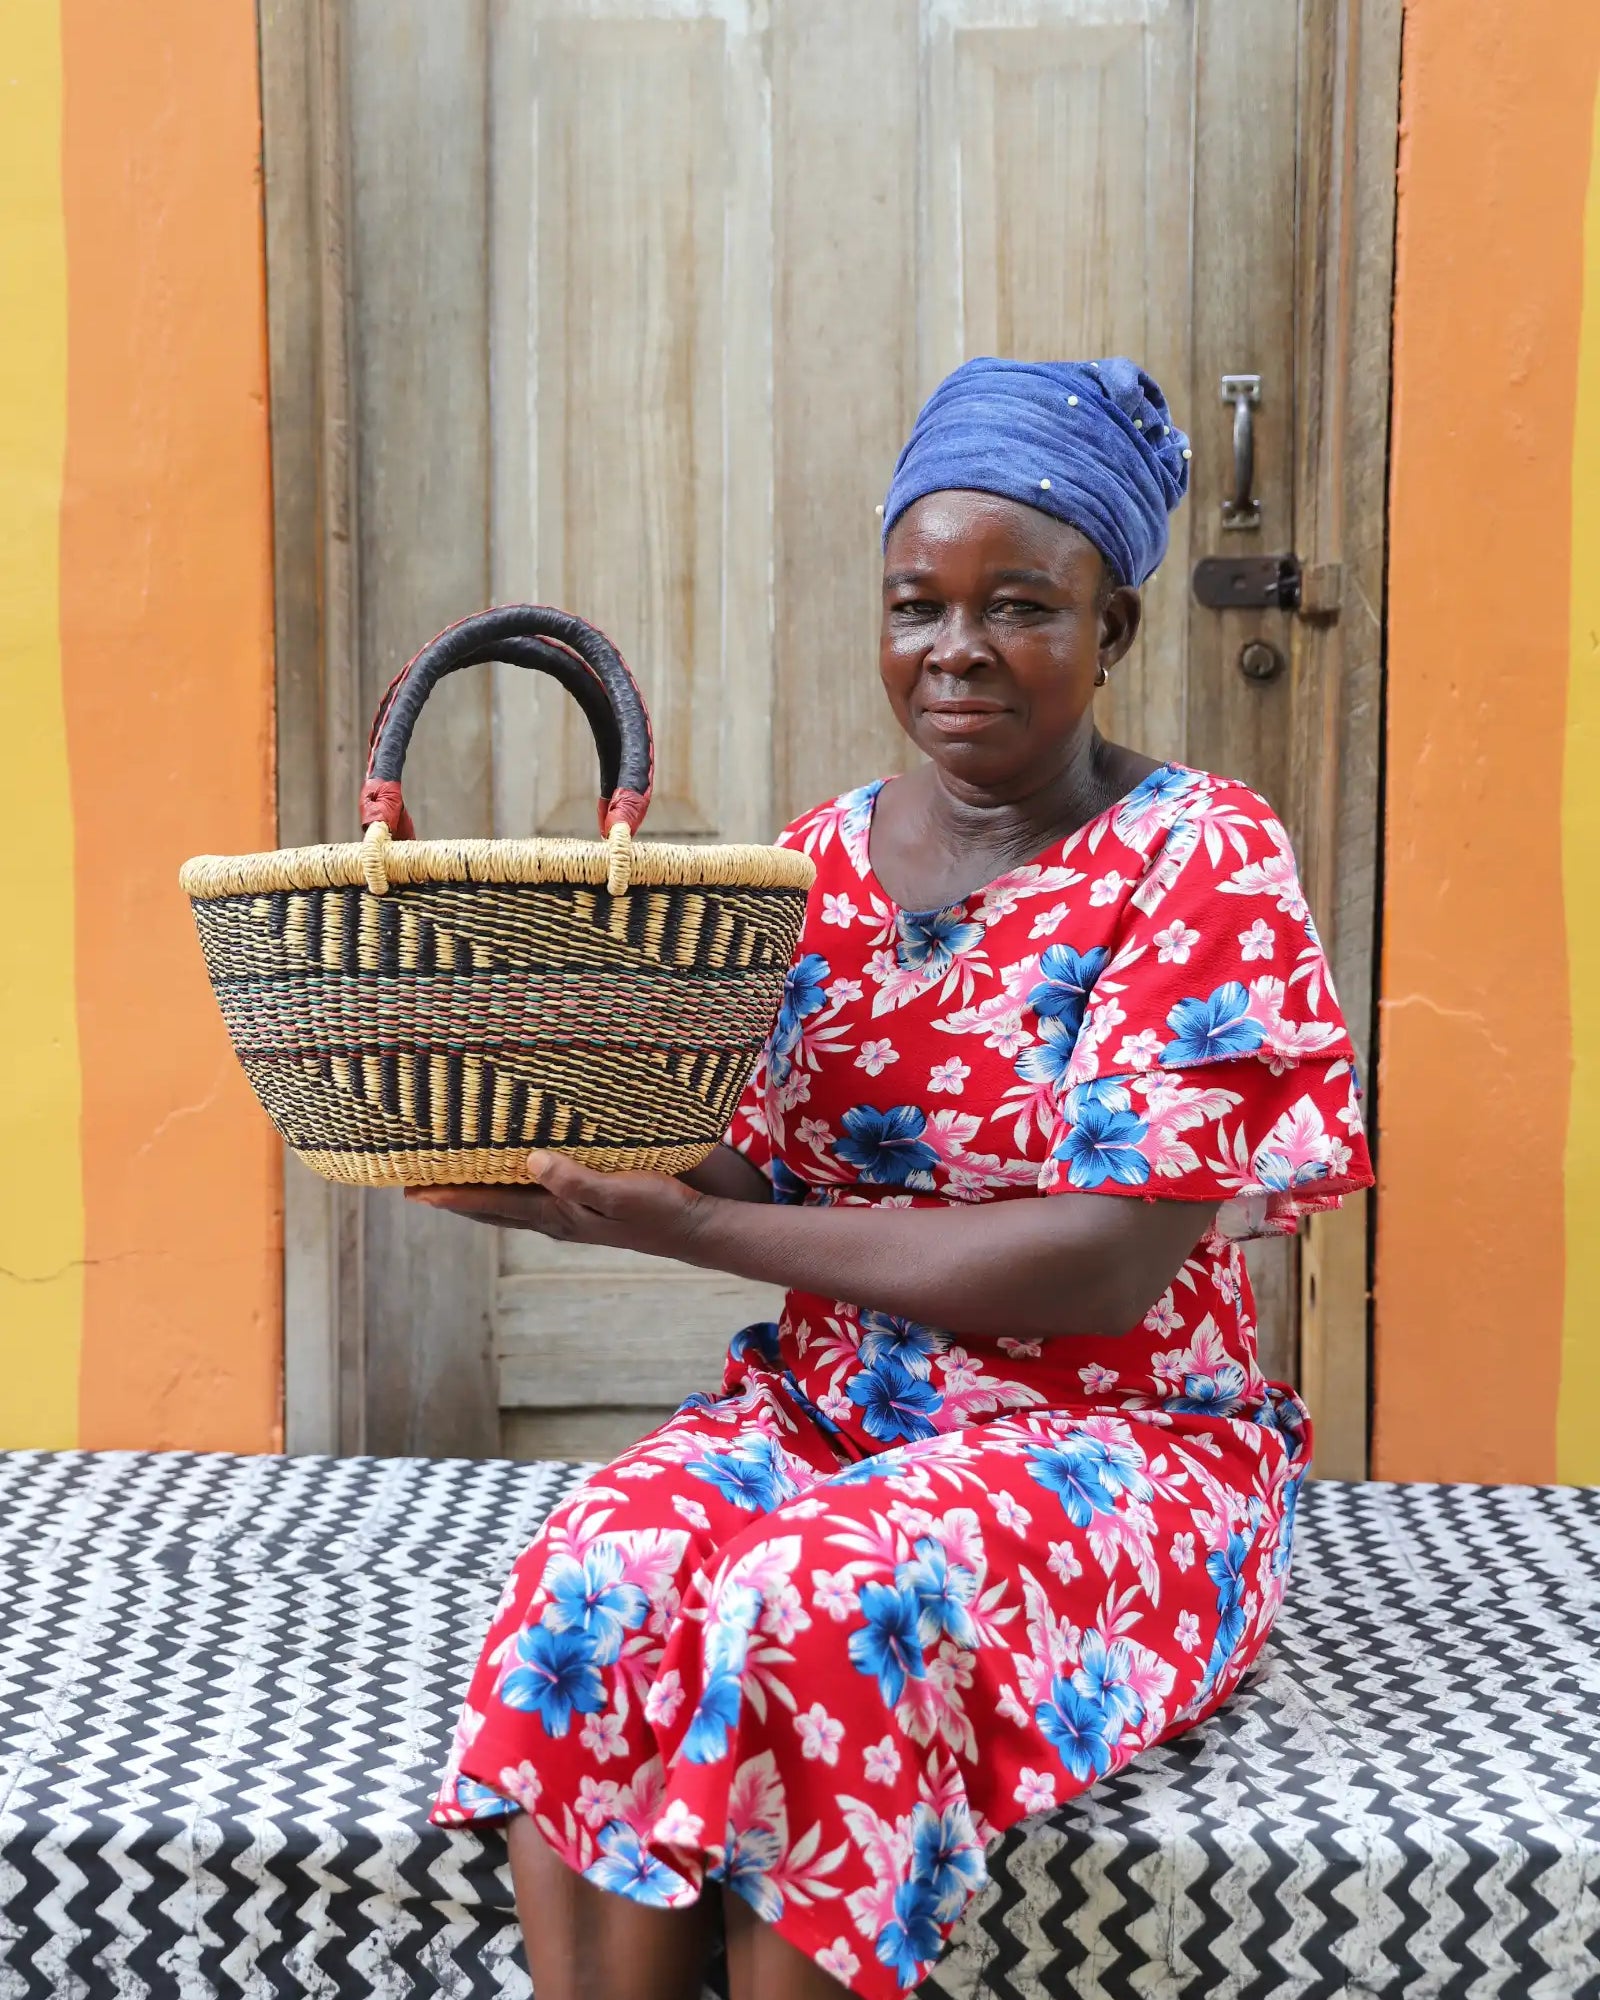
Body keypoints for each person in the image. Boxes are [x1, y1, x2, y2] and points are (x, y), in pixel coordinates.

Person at [418, 355, 1373, 2000]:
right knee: (606, 1565)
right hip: (830, 1415)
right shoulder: (819, 858)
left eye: (1020, 607)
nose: (956, 651)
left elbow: (1106, 1261)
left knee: (822, 1599)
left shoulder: (1196, 855)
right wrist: (551, 1143)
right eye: (916, 606)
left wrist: (695, 1230)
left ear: (1113, 630)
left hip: (1119, 1447)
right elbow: (756, 1159)